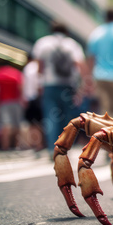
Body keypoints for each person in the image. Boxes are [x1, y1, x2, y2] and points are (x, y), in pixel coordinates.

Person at [32, 22, 86, 154]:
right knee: (68, 117)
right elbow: (80, 65)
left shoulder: (43, 43)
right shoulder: (72, 45)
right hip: (68, 86)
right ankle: (65, 146)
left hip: (49, 85)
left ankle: (52, 148)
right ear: (66, 31)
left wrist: (39, 84)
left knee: (50, 116)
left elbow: (40, 66)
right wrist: (83, 86)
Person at [0, 61, 24, 151]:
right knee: (17, 124)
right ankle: (17, 145)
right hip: (16, 102)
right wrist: (22, 99)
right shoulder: (16, 72)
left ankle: (5, 146)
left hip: (3, 102)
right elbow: (20, 87)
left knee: (5, 124)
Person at [22, 54, 44, 152]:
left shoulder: (28, 68)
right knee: (39, 123)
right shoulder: (38, 67)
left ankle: (36, 144)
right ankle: (39, 143)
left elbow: (25, 84)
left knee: (33, 123)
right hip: (39, 97)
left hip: (31, 98)